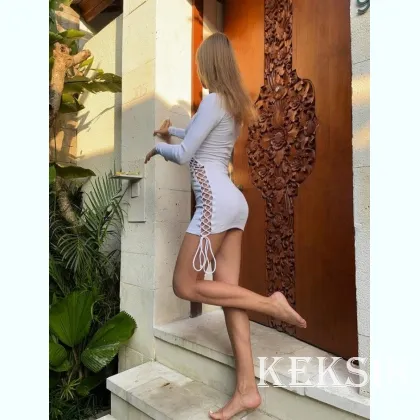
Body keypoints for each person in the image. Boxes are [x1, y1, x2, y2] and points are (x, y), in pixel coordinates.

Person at [145, 32, 306, 420]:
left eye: (200, 63)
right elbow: (195, 134)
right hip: (233, 204)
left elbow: (185, 153)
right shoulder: (230, 104)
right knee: (230, 296)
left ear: (209, 64)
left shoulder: (214, 100)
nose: (199, 69)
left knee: (184, 285)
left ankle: (271, 304)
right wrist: (171, 132)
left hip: (215, 204)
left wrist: (159, 148)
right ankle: (247, 390)